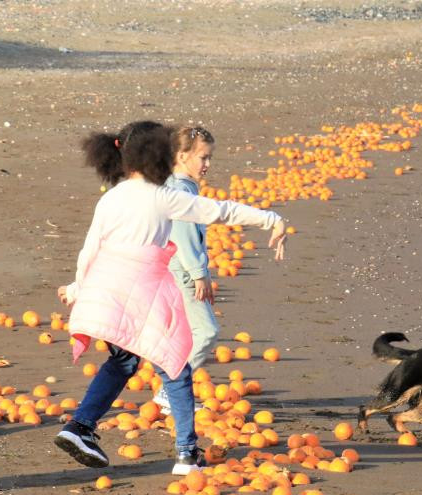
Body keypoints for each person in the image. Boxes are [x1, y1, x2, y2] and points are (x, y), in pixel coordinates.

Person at [54, 120, 287, 475]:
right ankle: (186, 454)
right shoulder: (162, 197)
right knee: (176, 366)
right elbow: (219, 211)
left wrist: (76, 288)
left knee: (123, 362)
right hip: (143, 293)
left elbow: (90, 250)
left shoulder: (112, 196)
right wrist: (271, 218)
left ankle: (79, 427)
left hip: (107, 289)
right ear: (158, 155)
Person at [151, 126, 219, 413]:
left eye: (209, 158)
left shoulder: (181, 185)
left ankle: (170, 388)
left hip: (178, 269)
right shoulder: (180, 190)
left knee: (184, 332)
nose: (207, 164)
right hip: (183, 270)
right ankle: (171, 390)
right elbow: (184, 235)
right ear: (181, 156)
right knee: (205, 332)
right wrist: (199, 273)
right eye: (203, 158)